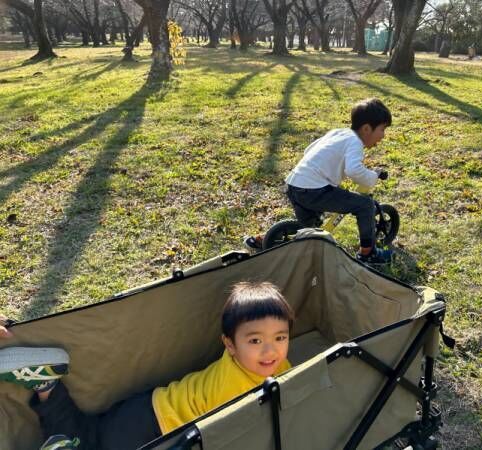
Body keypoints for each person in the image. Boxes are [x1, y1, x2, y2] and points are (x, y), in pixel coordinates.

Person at [0, 281, 294, 450]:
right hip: (151, 427)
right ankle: (63, 435)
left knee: (91, 430)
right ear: (229, 345)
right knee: (91, 443)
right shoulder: (236, 389)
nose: (271, 351)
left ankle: (47, 384)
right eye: (255, 341)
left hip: (149, 405)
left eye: (280, 338)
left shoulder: (272, 364)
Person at [245, 98, 393, 264]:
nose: (383, 135)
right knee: (365, 205)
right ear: (367, 128)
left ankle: (263, 240)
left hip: (295, 183)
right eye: (382, 129)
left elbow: (310, 149)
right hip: (313, 190)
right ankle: (368, 253)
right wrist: (373, 176)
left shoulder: (338, 133)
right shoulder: (355, 142)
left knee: (309, 228)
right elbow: (353, 170)